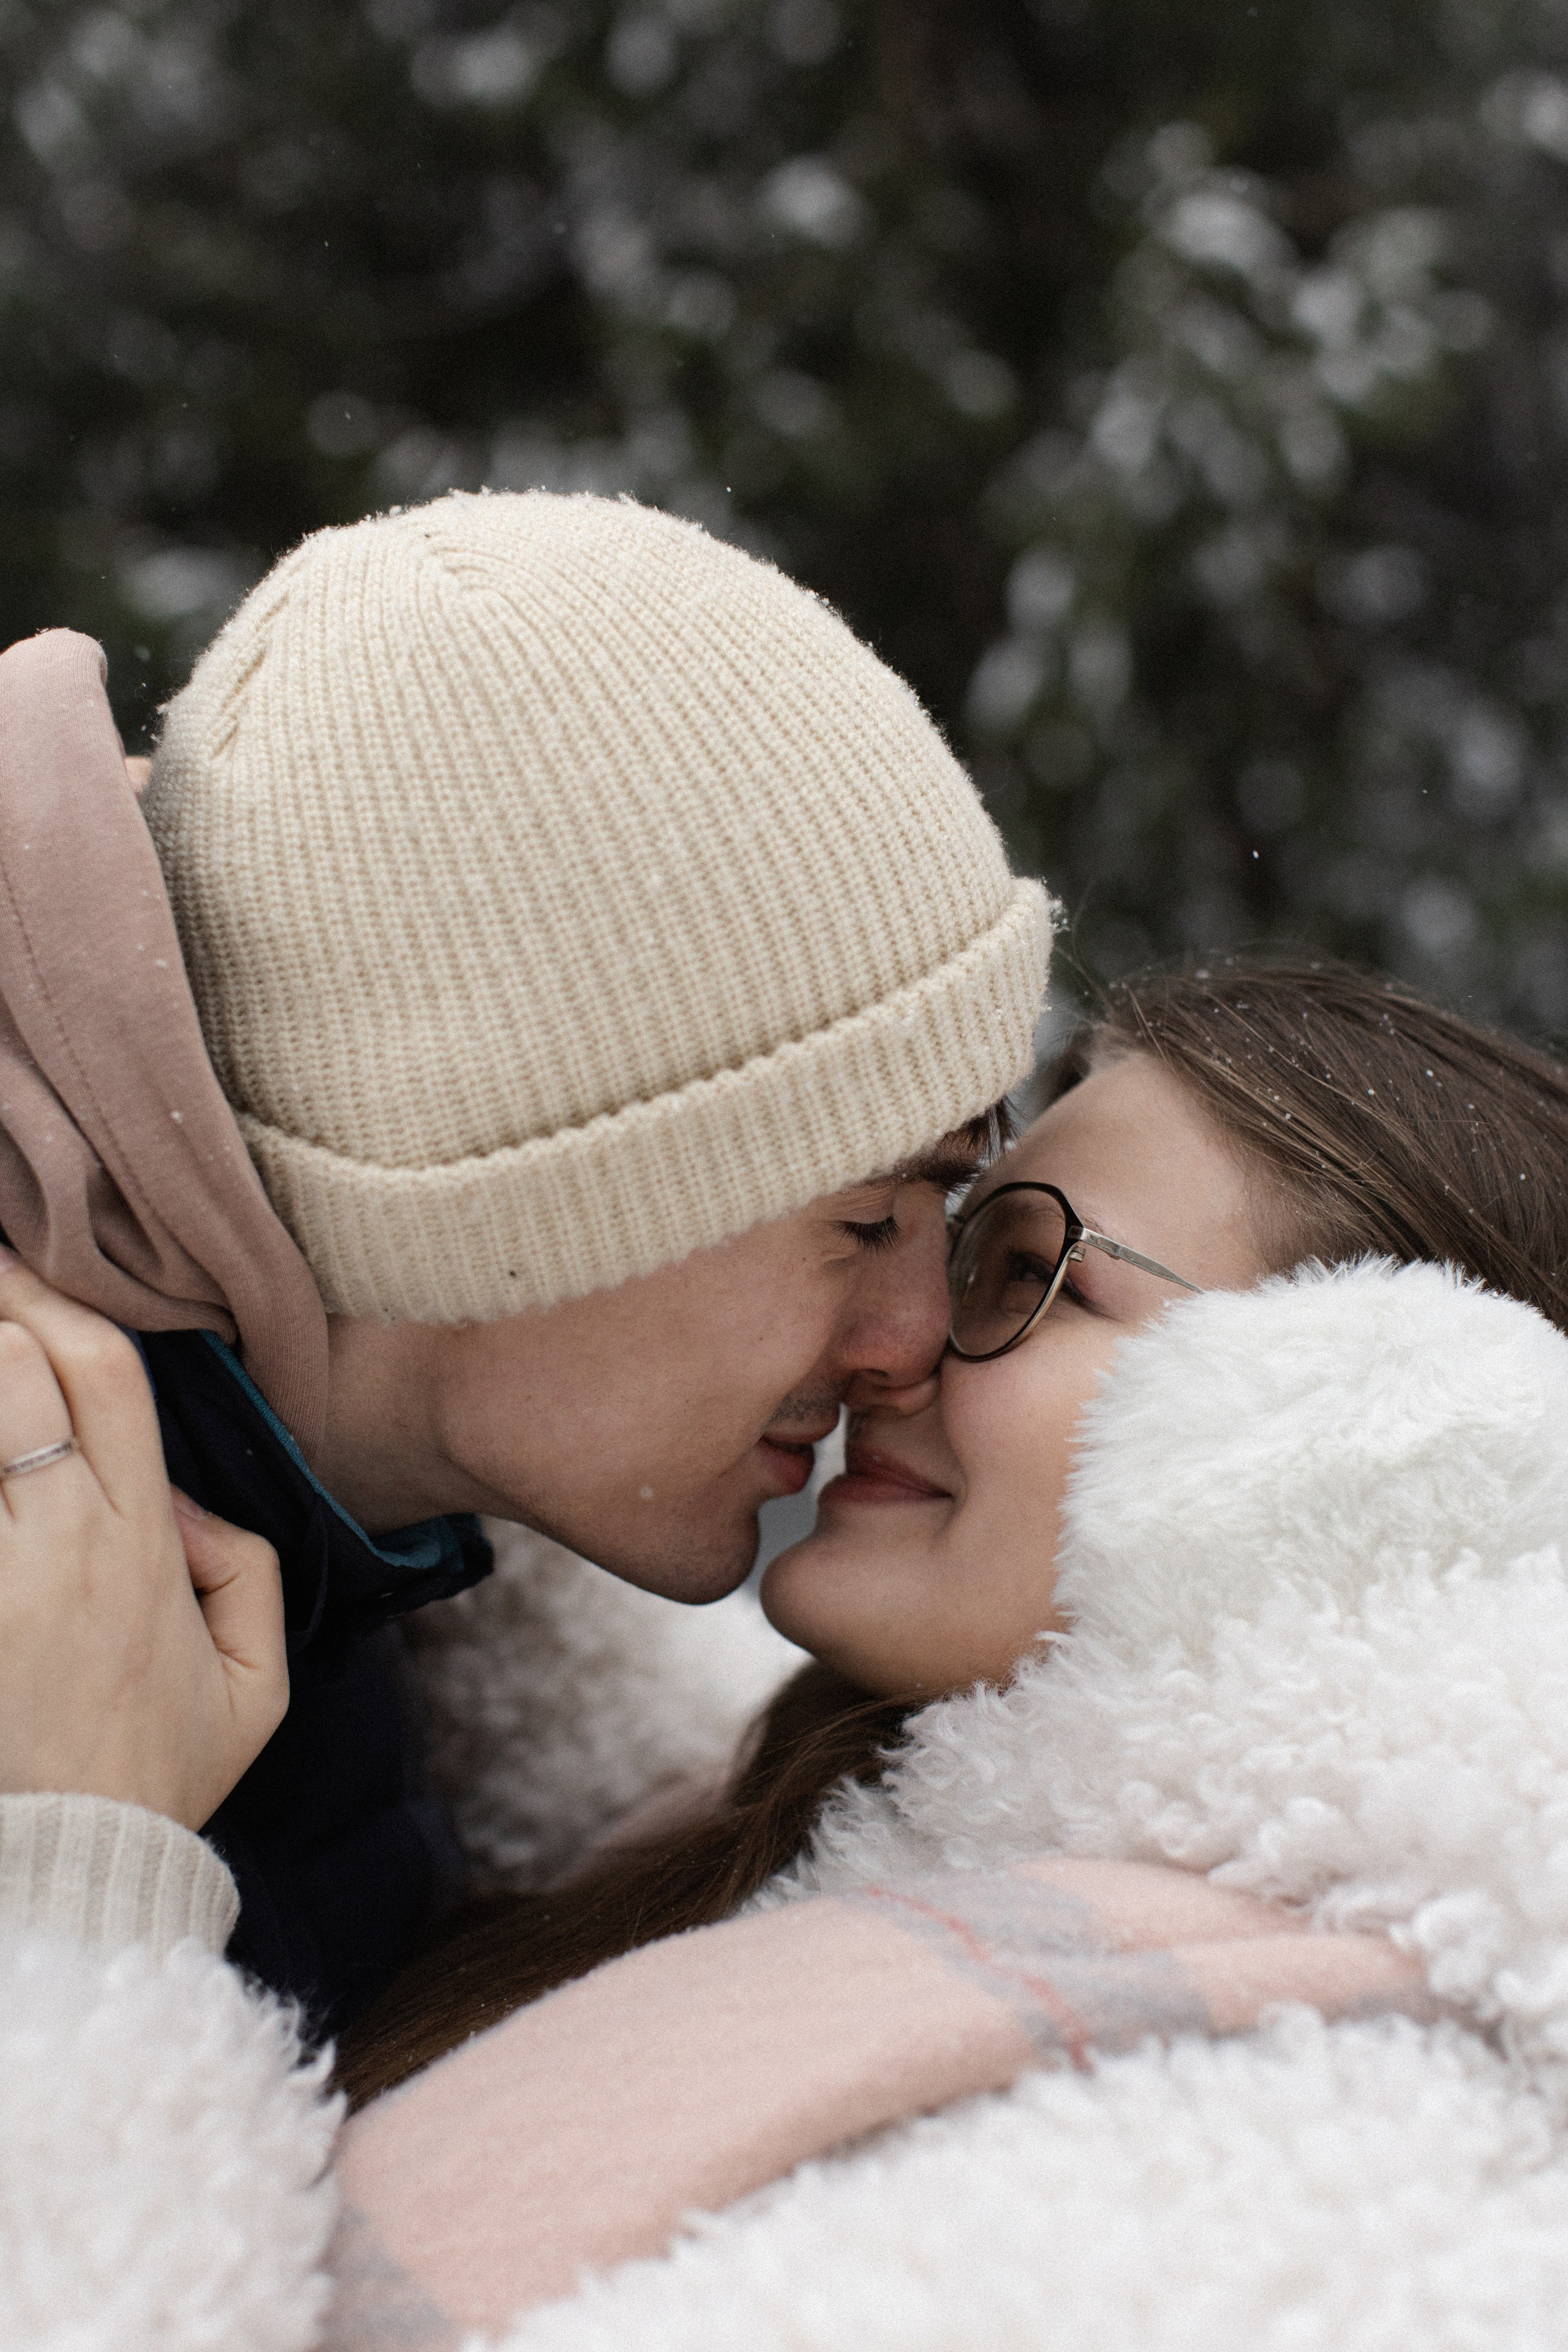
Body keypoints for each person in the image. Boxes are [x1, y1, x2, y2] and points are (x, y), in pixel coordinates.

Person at [0, 489, 1052, 2029]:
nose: (911, 1339)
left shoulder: (315, 1551)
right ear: (515, 1190)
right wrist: (72, 1902)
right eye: (858, 1218)